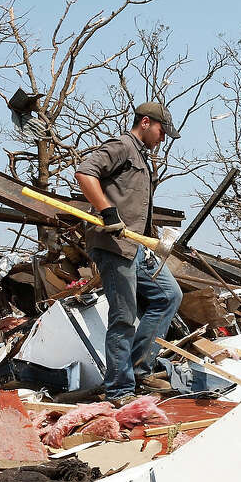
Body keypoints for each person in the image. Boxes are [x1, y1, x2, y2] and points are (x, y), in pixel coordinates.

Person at [74, 102, 184, 402]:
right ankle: (119, 389)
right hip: (113, 245)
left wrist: (153, 240)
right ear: (145, 122)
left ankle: (138, 370)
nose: (162, 139)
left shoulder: (142, 158)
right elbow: (85, 173)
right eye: (162, 131)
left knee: (168, 296)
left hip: (135, 246)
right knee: (124, 316)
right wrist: (107, 212)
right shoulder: (122, 146)